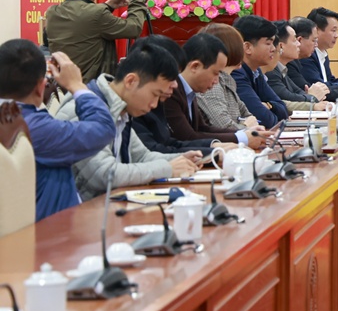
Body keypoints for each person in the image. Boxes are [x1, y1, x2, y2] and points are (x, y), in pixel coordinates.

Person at [56, 43, 201, 201]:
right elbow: (105, 174)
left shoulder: (119, 109)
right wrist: (167, 168)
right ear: (131, 81)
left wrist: (180, 160)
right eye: (155, 94)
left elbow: (142, 156)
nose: (155, 104)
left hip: (106, 205)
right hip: (79, 211)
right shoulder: (83, 109)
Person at [0, 41, 114, 220]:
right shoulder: (35, 128)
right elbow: (104, 127)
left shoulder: (20, 120)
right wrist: (76, 85)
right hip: (49, 231)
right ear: (41, 87)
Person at [42, 0, 153, 83]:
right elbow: (133, 28)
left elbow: (84, 23)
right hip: (93, 90)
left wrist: (109, 5)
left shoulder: (53, 12)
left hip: (66, 87)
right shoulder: (96, 14)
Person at [162, 32, 267, 149]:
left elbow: (203, 128)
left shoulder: (190, 90)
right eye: (216, 73)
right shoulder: (170, 92)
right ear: (195, 66)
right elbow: (187, 137)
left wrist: (245, 133)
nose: (217, 81)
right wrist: (242, 138)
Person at [195, 23, 259, 132]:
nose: (243, 51)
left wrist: (246, 124)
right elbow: (224, 126)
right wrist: (246, 126)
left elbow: (249, 116)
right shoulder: (212, 84)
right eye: (240, 45)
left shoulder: (228, 80)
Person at [231, 15, 289, 127]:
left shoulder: (256, 71)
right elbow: (264, 119)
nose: (273, 49)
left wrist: (269, 106)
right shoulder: (237, 74)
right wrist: (271, 108)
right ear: (247, 47)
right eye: (268, 43)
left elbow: (283, 110)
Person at [266, 20, 330, 113]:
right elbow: (287, 97)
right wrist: (312, 97)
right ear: (281, 46)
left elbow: (298, 91)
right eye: (294, 40)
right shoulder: (270, 71)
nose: (299, 44)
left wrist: (309, 96)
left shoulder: (282, 68)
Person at [288, 17, 337, 101]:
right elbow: (308, 91)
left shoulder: (295, 62)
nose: (316, 45)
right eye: (314, 40)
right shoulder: (291, 63)